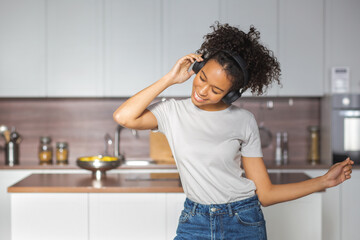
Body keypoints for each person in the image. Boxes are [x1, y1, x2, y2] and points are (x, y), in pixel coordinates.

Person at [113, 22, 353, 240]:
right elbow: (124, 116)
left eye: (216, 89)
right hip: (194, 220)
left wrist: (324, 181)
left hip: (243, 220)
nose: (202, 90)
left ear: (231, 95)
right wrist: (169, 78)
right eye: (202, 77)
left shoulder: (244, 121)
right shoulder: (172, 112)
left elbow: (266, 194)